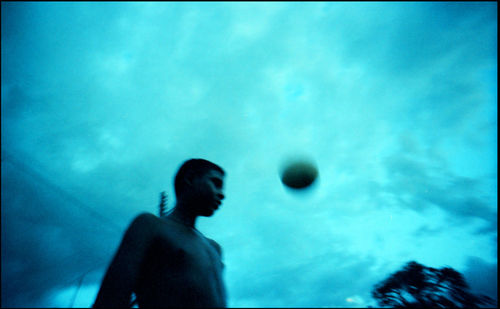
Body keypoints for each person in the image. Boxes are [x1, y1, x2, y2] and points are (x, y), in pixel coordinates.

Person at [93, 158, 226, 308]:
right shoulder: (150, 226)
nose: (222, 194)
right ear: (190, 179)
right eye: (216, 183)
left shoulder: (214, 248)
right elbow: (110, 299)